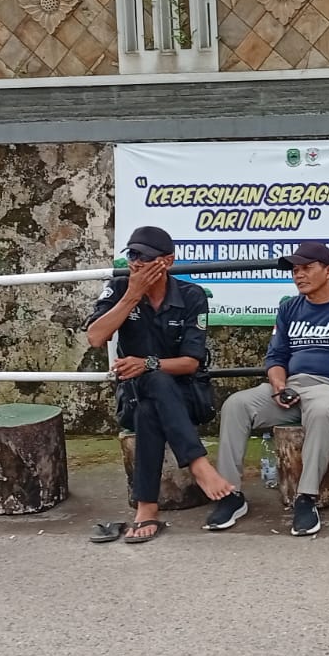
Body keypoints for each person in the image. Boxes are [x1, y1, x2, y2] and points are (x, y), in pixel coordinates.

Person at [213, 242, 329, 537]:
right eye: (295, 270)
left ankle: (306, 498)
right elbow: (276, 359)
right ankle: (230, 495)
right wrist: (279, 386)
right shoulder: (289, 308)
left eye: (307, 268)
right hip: (292, 387)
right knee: (236, 404)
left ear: (328, 271)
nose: (299, 275)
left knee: (320, 410)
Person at [84, 225, 236, 542]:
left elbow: (190, 362)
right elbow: (96, 337)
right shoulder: (120, 288)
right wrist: (132, 296)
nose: (136, 263)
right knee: (149, 394)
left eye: (145, 257)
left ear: (167, 261)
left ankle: (146, 509)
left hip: (186, 397)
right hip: (134, 394)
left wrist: (148, 363)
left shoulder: (191, 296)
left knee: (153, 392)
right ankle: (198, 465)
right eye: (132, 255)